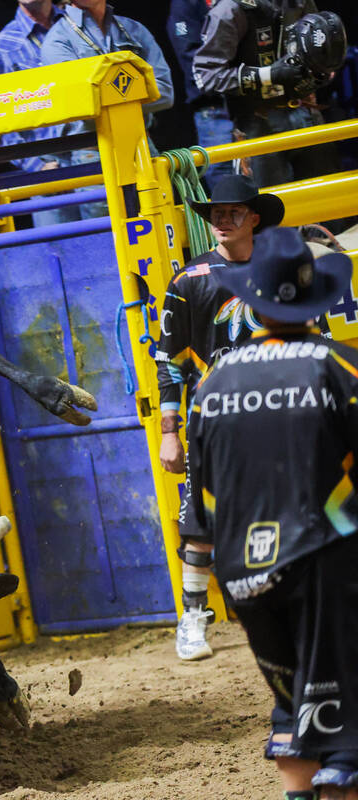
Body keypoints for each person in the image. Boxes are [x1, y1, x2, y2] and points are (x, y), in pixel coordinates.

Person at [188, 226, 358, 800]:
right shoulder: (343, 368)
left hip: (244, 572)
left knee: (292, 706)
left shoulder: (212, 383)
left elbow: (202, 492)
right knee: (343, 727)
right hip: (325, 564)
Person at [153, 174, 285, 662]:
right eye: (215, 211)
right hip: (217, 416)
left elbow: (313, 338)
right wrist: (170, 433)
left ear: (253, 217)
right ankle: (193, 617)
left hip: (282, 410)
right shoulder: (190, 282)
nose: (223, 219)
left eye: (234, 211)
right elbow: (170, 361)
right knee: (202, 517)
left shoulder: (281, 270)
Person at [38, 0, 174, 219]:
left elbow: (165, 92)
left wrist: (109, 98)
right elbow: (81, 104)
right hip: (94, 153)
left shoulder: (133, 29)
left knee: (162, 225)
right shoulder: (58, 41)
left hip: (142, 145)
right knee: (111, 239)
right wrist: (134, 92)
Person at [193, 4, 345, 187]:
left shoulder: (299, 2)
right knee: (268, 206)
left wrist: (324, 69)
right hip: (258, 121)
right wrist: (268, 75)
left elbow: (322, 52)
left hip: (306, 111)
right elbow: (206, 76)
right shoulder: (229, 10)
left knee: (327, 198)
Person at [0, 0, 66, 224]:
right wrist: (37, 168)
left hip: (98, 155)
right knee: (62, 253)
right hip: (49, 169)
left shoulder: (79, 25)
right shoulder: (2, 47)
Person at [165, 0, 232, 189]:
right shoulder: (185, 4)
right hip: (215, 107)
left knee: (268, 174)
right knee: (224, 179)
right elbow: (191, 57)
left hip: (252, 103)